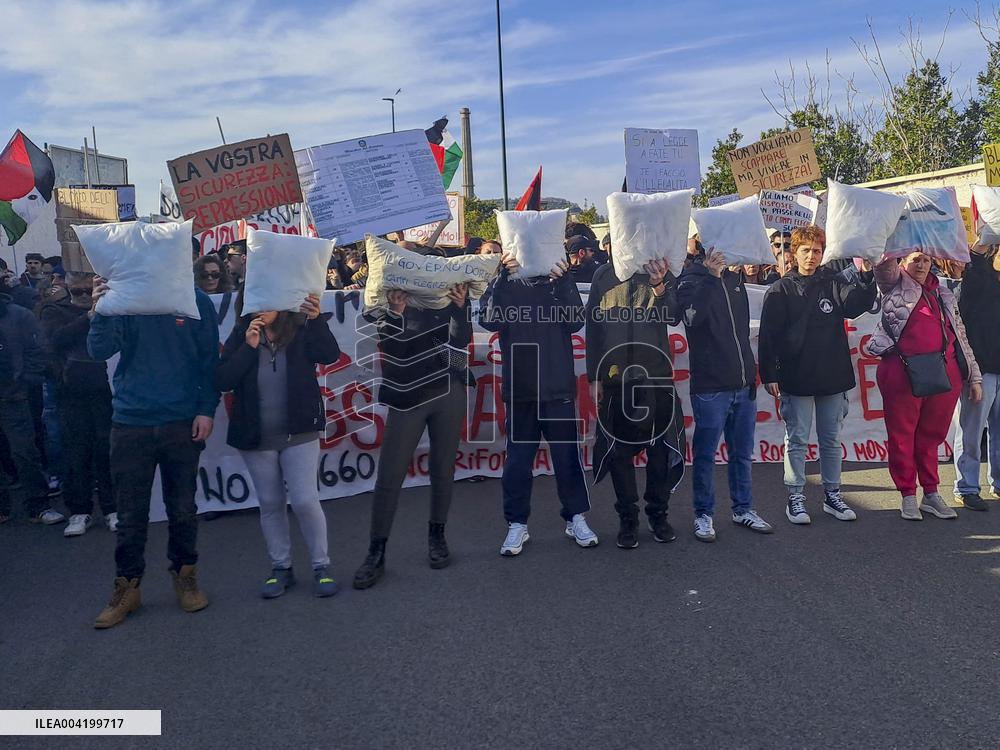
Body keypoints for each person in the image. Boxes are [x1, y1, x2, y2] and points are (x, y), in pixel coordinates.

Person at [87, 276, 220, 629]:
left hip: (181, 421)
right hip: (131, 422)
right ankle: (127, 587)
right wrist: (101, 311)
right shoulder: (125, 299)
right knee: (131, 514)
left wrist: (207, 408)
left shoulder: (196, 300)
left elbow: (209, 360)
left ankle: (185, 575)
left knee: (183, 508)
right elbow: (98, 351)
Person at [215, 291, 341, 597]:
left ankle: (320, 565)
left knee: (304, 501)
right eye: (255, 301)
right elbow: (222, 380)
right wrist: (248, 347)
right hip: (256, 438)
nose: (262, 307)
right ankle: (281, 568)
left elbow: (329, 355)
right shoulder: (241, 336)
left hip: (298, 433)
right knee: (271, 505)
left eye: (267, 299)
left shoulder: (299, 330)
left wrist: (316, 321)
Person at [352, 282, 474, 589]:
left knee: (443, 470)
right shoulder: (393, 298)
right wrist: (395, 312)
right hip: (408, 395)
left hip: (448, 391)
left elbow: (461, 342)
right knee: (390, 475)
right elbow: (391, 348)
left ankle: (437, 535)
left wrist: (460, 308)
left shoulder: (447, 298)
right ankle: (376, 551)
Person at [479, 252, 596, 556]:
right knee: (517, 462)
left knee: (567, 458)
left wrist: (565, 281)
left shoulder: (558, 282)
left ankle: (575, 517)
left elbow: (576, 322)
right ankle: (517, 523)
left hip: (557, 388)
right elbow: (488, 319)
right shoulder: (504, 282)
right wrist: (503, 277)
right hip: (521, 389)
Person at [758, 226, 877, 525]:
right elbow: (768, 337)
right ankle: (796, 496)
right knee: (797, 439)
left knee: (831, 439)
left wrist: (865, 274)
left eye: (817, 251)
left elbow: (856, 305)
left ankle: (832, 495)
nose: (812, 256)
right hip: (796, 376)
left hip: (832, 374)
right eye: (806, 250)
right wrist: (769, 373)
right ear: (793, 253)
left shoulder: (832, 283)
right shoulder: (780, 290)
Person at [863, 252, 982, 520]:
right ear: (902, 261)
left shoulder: (943, 293)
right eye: (915, 259)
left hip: (944, 373)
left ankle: (930, 493)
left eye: (926, 260)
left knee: (932, 436)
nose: (921, 265)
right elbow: (882, 263)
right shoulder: (893, 283)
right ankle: (907, 494)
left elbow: (959, 335)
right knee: (902, 436)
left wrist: (974, 376)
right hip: (901, 372)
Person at [586, 256, 686, 549]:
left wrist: (658, 286)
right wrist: (595, 377)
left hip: (655, 378)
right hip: (617, 380)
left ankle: (658, 515)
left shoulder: (661, 270)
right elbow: (593, 330)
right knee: (619, 455)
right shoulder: (603, 274)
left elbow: (673, 316)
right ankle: (627, 519)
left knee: (658, 452)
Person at [678, 248, 772, 542]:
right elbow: (692, 320)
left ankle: (743, 508)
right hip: (710, 386)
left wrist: (751, 373)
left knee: (742, 454)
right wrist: (710, 277)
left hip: (743, 383)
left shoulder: (735, 280)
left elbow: (741, 331)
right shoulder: (689, 281)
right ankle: (703, 514)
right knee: (705, 454)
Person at [38, 272, 115, 536]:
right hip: (70, 393)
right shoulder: (54, 311)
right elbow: (55, 341)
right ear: (67, 289)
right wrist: (88, 316)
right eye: (77, 292)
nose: (84, 296)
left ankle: (111, 508)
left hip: (105, 391)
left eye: (88, 290)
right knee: (75, 453)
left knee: (106, 450)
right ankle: (79, 511)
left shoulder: (111, 308)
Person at [0, 289, 63, 525]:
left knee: (25, 451)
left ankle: (38, 505)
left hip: (14, 397)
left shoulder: (20, 316)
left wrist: (25, 381)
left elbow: (39, 351)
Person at [953, 245, 1000, 510]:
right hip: (980, 370)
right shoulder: (979, 276)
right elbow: (974, 255)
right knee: (971, 431)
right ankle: (967, 487)